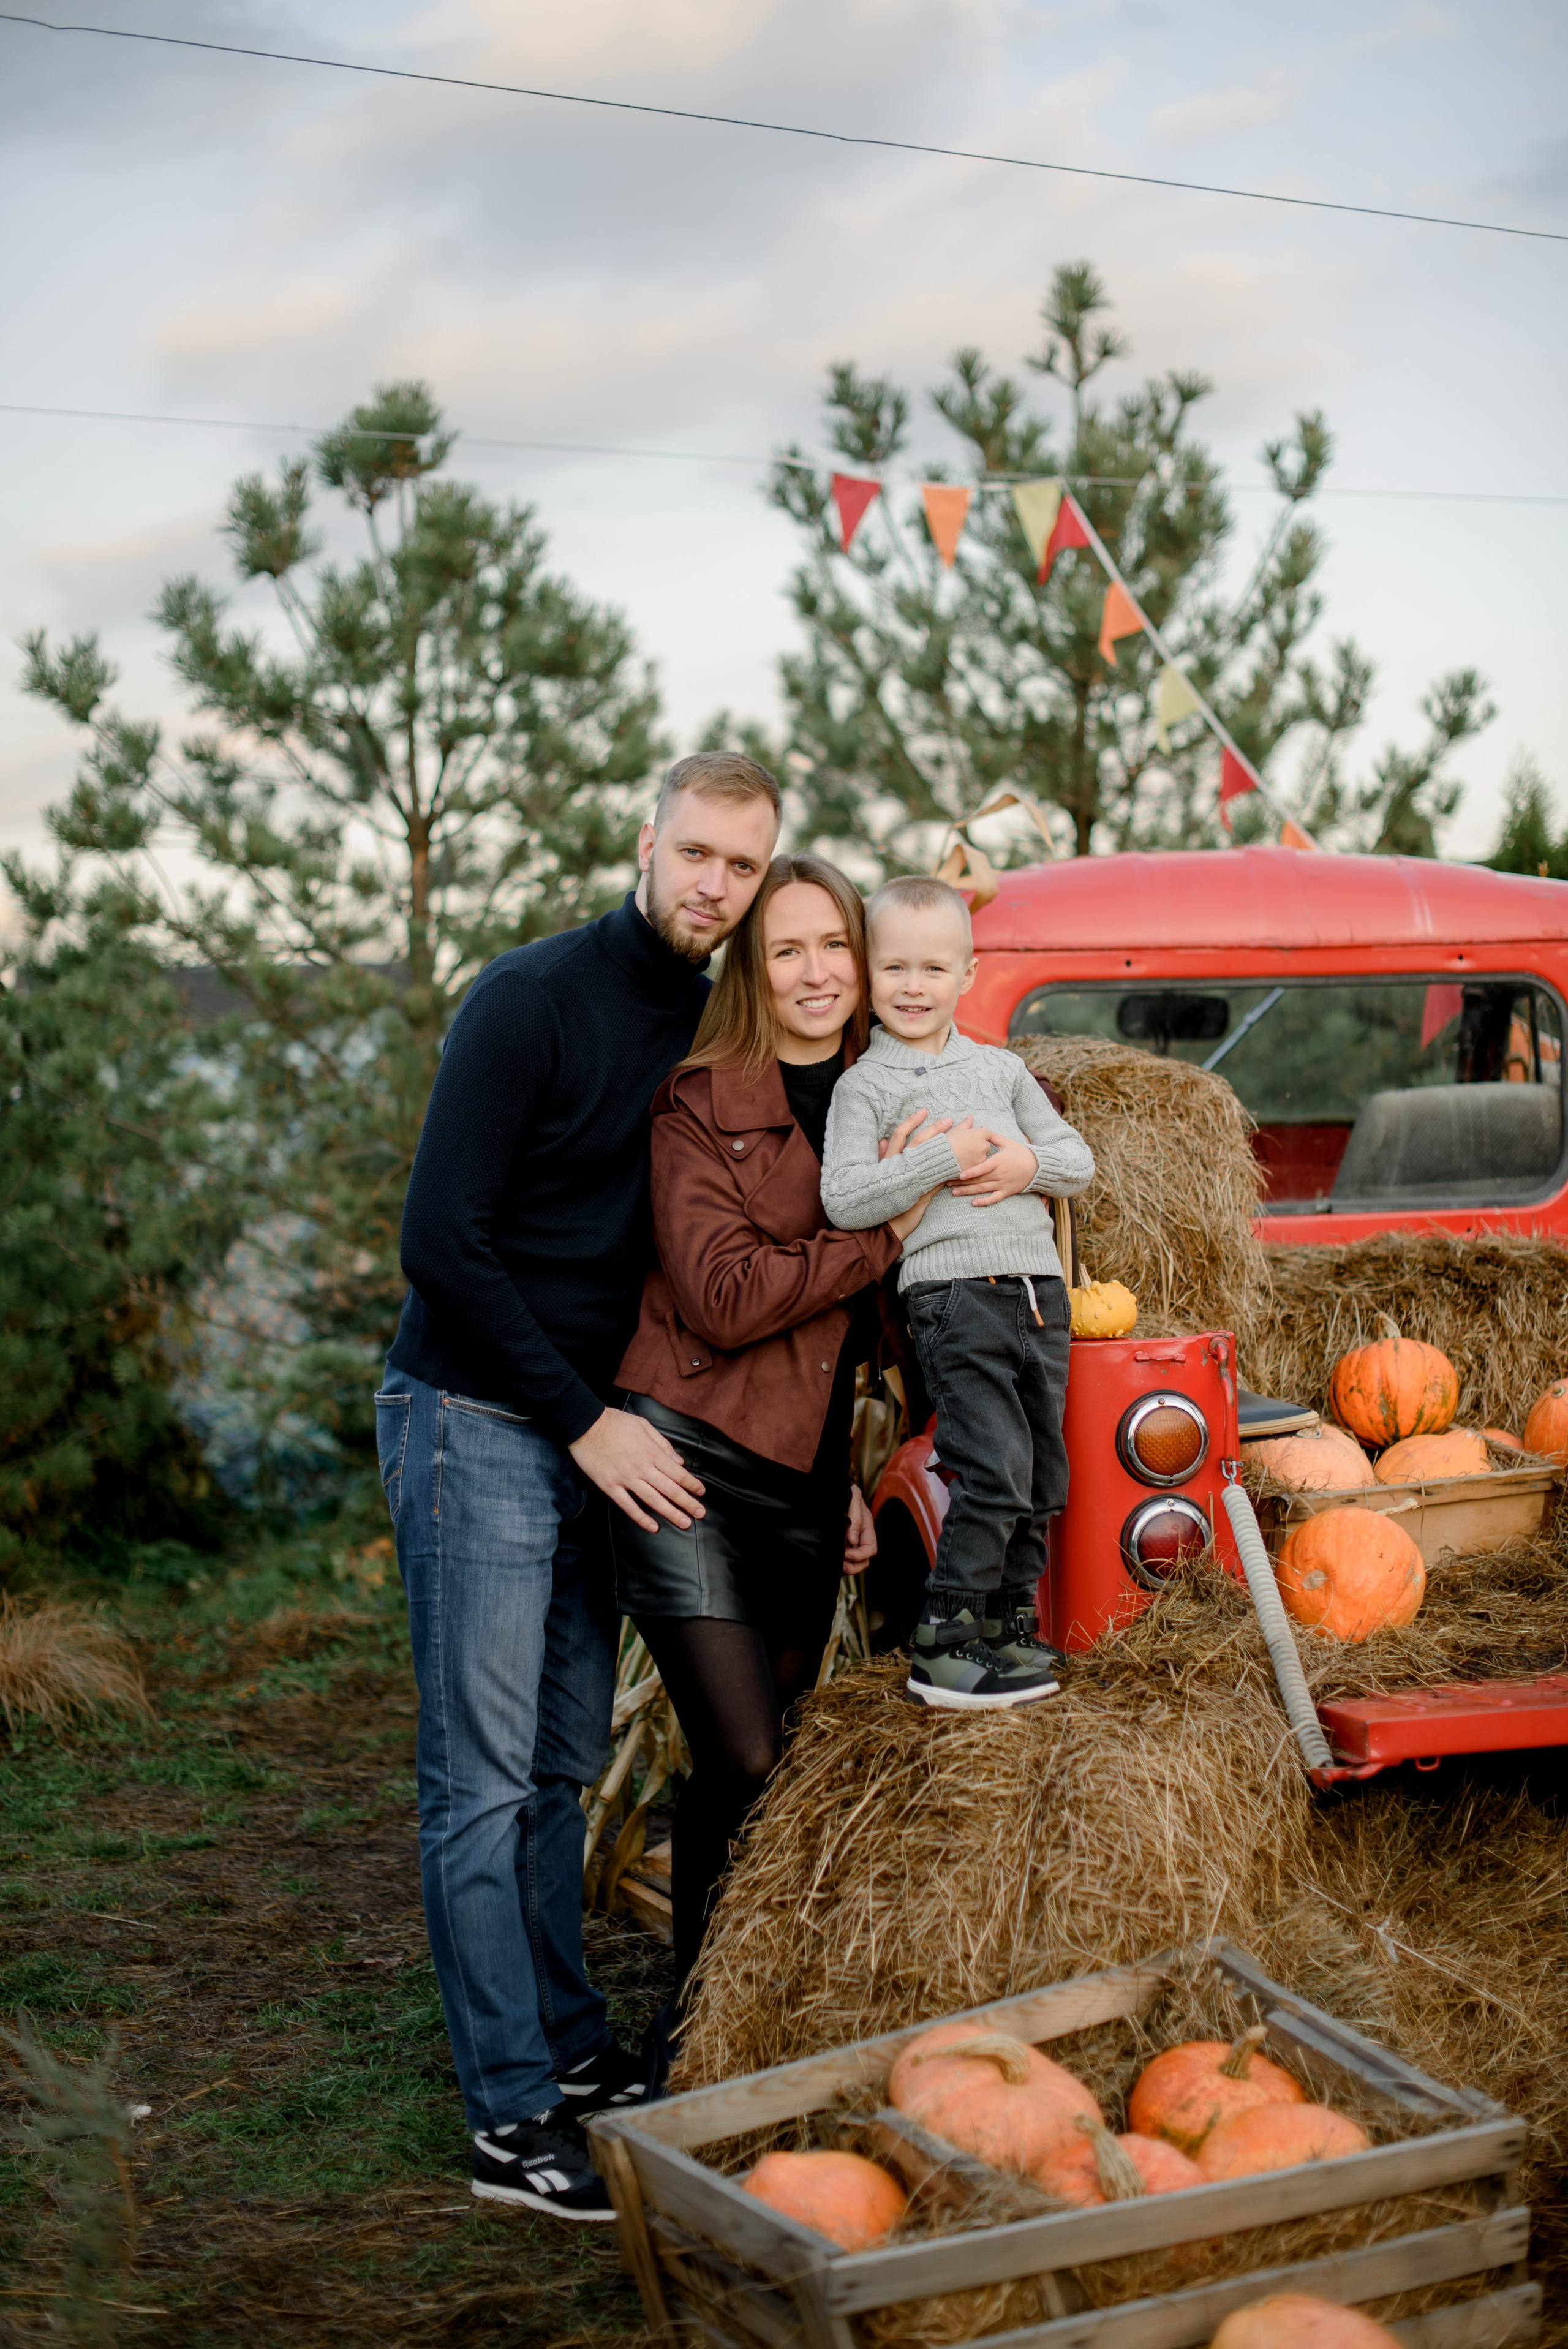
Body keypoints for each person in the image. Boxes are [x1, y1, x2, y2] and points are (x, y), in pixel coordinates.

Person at [375, 751, 782, 2220]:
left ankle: (562, 2045)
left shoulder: (717, 1019)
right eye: (696, 856)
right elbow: (442, 1243)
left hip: (598, 1429)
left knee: (557, 1766)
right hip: (476, 1412)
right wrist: (582, 1421)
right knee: (479, 1783)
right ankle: (506, 2115)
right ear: (646, 839)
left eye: (741, 868)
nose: (713, 888)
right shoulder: (529, 1000)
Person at [613, 855, 938, 2040]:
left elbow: (862, 1344)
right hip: (682, 1456)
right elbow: (724, 1298)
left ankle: (731, 2010)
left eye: (835, 948)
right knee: (743, 1749)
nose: (815, 972)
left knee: (766, 1764)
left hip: (803, 1477)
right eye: (786, 948)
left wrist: (853, 1478)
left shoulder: (892, 1099)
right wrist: (883, 1232)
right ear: (753, 966)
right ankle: (686, 2030)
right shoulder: (699, 1100)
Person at [820, 873, 1095, 1710]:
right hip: (953, 1296)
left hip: (1039, 1295)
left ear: (967, 975)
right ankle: (945, 1637)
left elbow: (1077, 1161)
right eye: (895, 969)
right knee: (992, 1468)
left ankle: (1007, 1627)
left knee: (1045, 1475)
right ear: (870, 976)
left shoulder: (1004, 1070)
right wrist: (940, 1158)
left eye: (933, 970)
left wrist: (1021, 1165)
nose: (913, 987)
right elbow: (844, 1198)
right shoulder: (863, 1087)